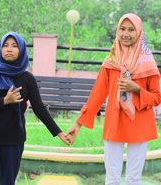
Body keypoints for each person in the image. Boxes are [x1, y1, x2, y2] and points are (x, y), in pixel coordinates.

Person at [67, 13, 161, 185]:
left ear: (139, 32)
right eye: (122, 29)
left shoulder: (148, 63)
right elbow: (97, 94)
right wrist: (78, 123)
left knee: (134, 179)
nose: (125, 34)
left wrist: (137, 89)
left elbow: (156, 98)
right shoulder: (111, 61)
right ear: (117, 31)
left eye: (131, 30)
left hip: (140, 123)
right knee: (112, 178)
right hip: (114, 121)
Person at [0, 32, 71, 185]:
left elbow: (39, 108)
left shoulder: (27, 78)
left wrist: (58, 132)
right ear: (0, 49)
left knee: (8, 181)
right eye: (5, 45)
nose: (9, 49)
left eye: (14, 46)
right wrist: (5, 100)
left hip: (13, 137)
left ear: (22, 50)